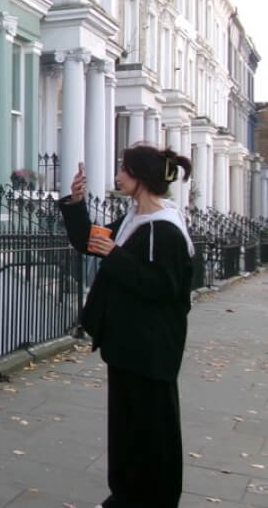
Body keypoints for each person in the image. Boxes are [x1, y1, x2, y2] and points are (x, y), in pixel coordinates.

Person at [59, 144, 194, 508]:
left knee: (152, 427)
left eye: (125, 170)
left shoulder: (164, 229)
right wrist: (75, 203)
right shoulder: (135, 218)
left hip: (151, 348)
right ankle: (126, 495)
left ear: (142, 178)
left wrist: (115, 256)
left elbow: (164, 288)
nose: (118, 176)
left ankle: (154, 499)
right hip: (128, 344)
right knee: (127, 425)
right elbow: (91, 242)